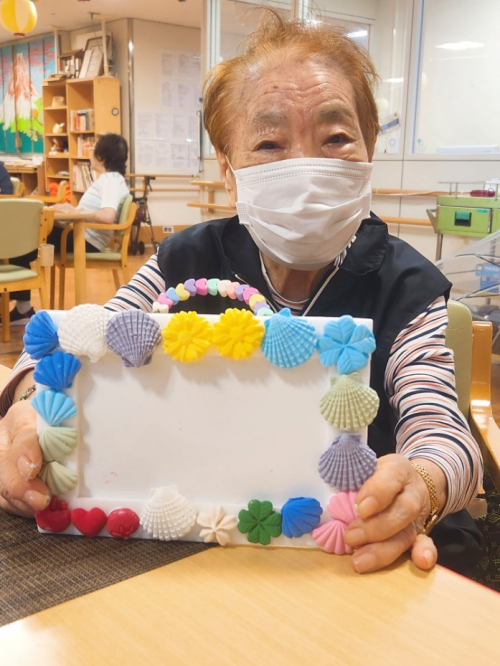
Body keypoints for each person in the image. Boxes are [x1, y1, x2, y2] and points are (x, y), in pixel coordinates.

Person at [0, 11, 483, 576]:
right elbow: (76, 347)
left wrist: (420, 486)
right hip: (188, 556)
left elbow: (442, 431)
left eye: (335, 137)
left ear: (368, 151)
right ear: (229, 173)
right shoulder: (184, 261)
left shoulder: (406, 284)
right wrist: (28, 413)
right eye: (270, 143)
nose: (306, 167)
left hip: (347, 561)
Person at [6, 133, 129, 325]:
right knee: (19, 240)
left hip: (86, 239)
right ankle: (20, 304)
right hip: (80, 234)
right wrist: (72, 210)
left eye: (93, 149)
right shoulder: (109, 179)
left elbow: (108, 215)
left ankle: (20, 305)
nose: (90, 153)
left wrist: (75, 211)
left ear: (102, 156)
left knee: (19, 241)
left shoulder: (112, 180)